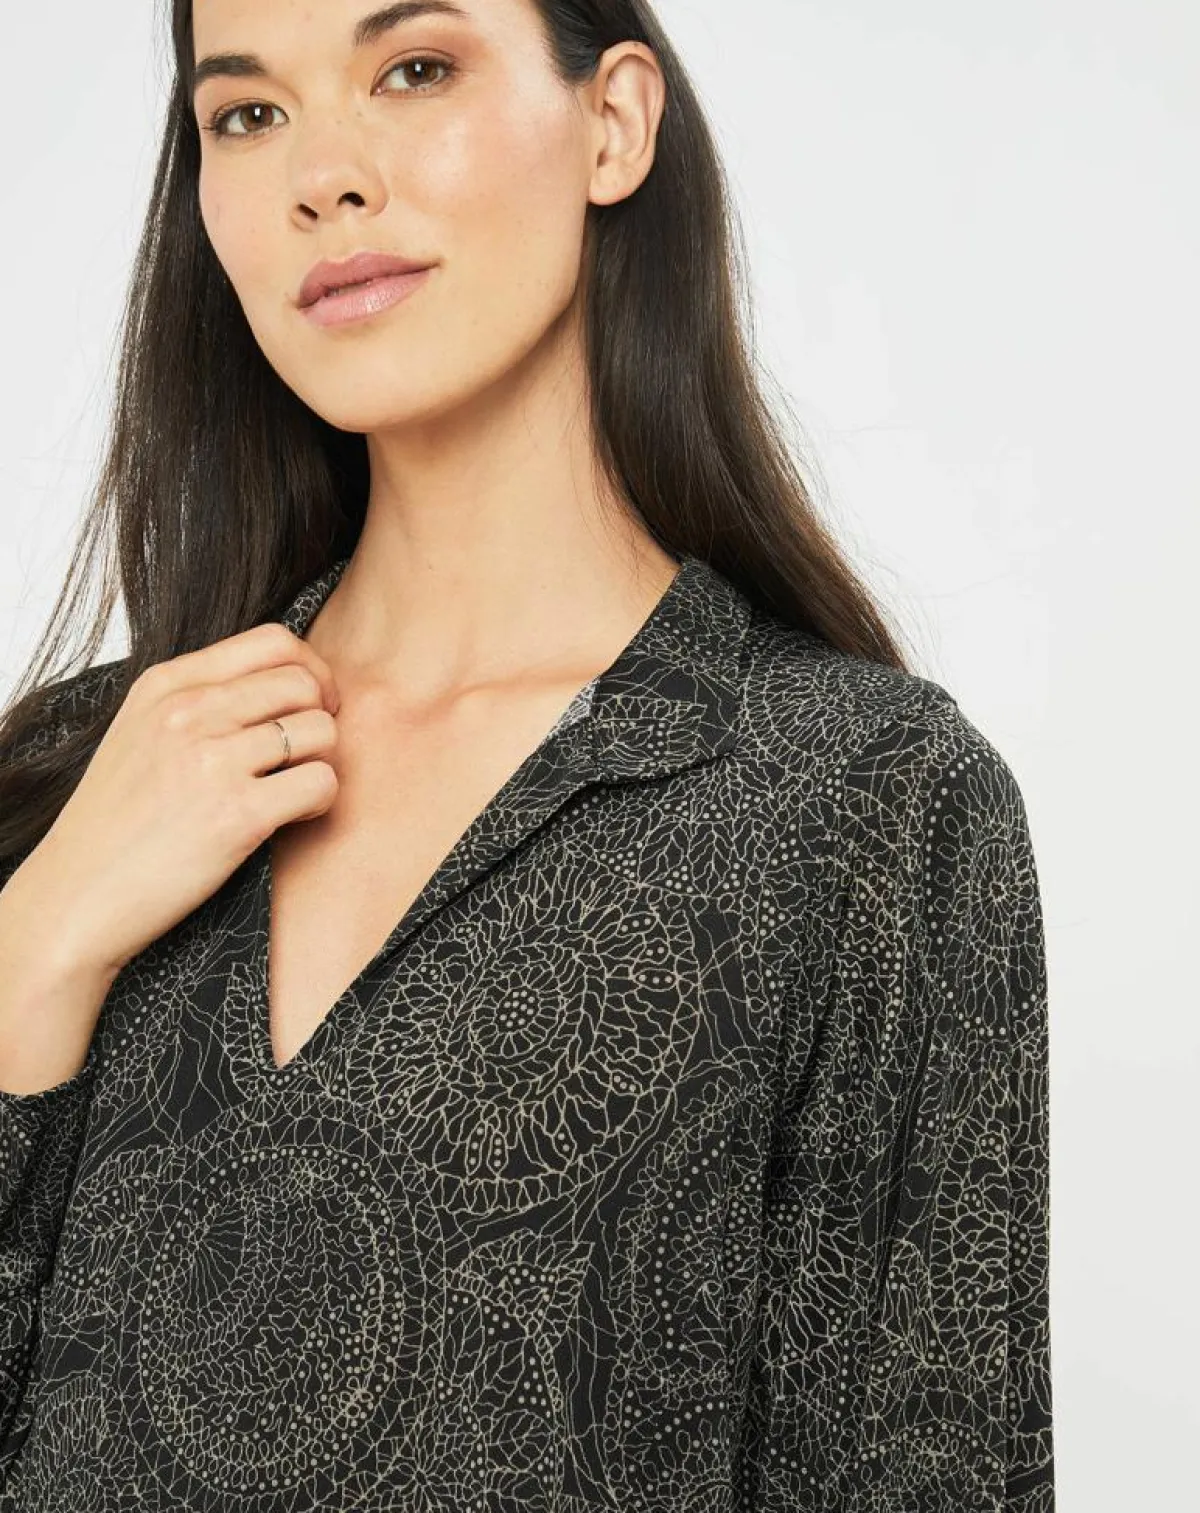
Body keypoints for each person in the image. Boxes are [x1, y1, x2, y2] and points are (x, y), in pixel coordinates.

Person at [0, 1, 1054, 1508]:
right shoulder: (83, 772)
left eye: (413, 69)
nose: (323, 175)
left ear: (613, 122)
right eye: (248, 114)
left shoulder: (861, 802)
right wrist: (37, 945)